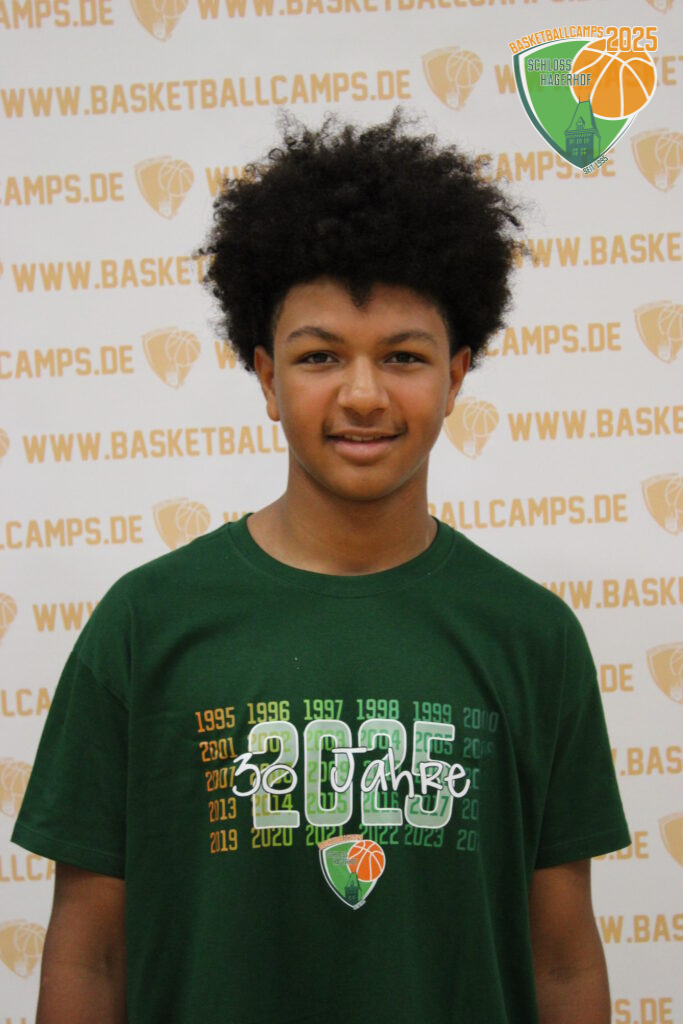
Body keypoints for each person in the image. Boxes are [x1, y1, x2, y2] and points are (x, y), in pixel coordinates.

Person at [12, 110, 629, 1024]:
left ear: (457, 376)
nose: (363, 394)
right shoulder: (146, 623)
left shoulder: (532, 637)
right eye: (319, 356)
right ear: (267, 378)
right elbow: (89, 953)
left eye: (404, 356)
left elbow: (563, 959)